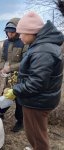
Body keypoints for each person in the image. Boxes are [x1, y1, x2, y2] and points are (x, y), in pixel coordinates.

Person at [4, 12, 64, 150]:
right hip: (38, 99)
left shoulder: (43, 51)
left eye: (23, 33)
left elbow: (37, 83)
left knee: (37, 135)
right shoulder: (40, 45)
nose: (21, 37)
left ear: (32, 32)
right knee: (36, 132)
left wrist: (15, 90)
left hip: (38, 101)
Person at [0, 18, 28, 132]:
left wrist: (10, 68)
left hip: (21, 77)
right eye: (8, 32)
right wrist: (1, 67)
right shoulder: (5, 43)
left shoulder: (24, 43)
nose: (10, 34)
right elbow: (3, 58)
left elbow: (25, 62)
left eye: (12, 31)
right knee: (6, 96)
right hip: (8, 78)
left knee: (19, 101)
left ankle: (20, 121)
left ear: (18, 31)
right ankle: (0, 114)